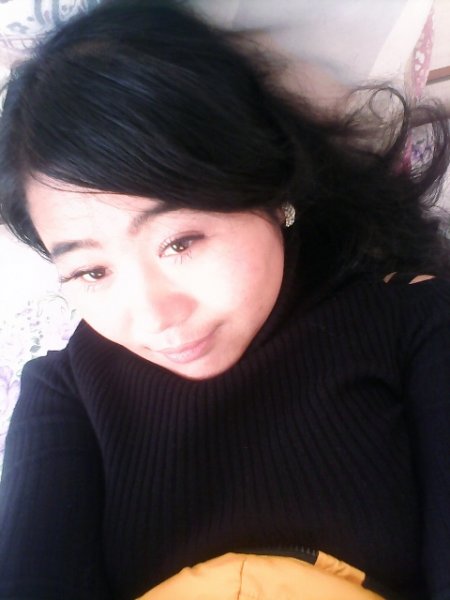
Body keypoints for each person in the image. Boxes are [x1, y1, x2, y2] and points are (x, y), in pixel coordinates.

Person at [0, 1, 449, 598]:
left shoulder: (413, 321)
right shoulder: (65, 391)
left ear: (269, 182)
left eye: (180, 242)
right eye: (91, 271)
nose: (155, 317)